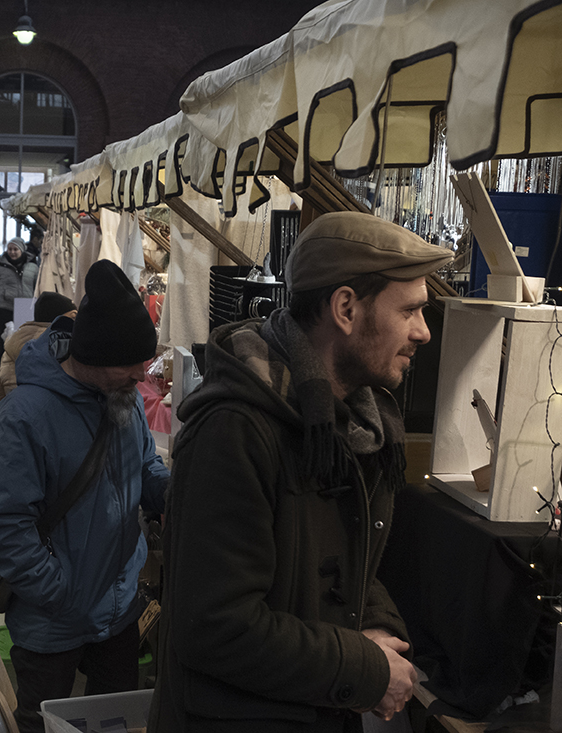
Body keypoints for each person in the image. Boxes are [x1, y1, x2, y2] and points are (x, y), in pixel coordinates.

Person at [150, 211, 453, 732]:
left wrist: (376, 631)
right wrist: (363, 667)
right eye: (410, 311)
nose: (423, 332)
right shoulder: (236, 429)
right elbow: (215, 627)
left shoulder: (354, 423)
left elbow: (344, 562)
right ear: (345, 308)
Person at [0, 259, 169, 733]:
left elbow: (146, 468)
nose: (140, 376)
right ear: (94, 356)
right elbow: (0, 527)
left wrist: (182, 495)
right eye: (130, 364)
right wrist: (61, 593)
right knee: (43, 724)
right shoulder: (26, 416)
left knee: (115, 722)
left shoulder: (123, 402)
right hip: (52, 621)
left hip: (119, 612)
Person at [0, 291, 76, 399]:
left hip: (12, 411)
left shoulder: (14, 342)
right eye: (74, 317)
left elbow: (1, 391)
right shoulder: (59, 346)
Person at [0, 236, 39, 366]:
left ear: (22, 250)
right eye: (9, 249)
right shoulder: (0, 265)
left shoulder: (33, 266)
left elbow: (37, 286)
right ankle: (2, 370)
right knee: (4, 340)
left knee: (23, 340)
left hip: (25, 306)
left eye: (15, 249)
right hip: (4, 306)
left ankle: (21, 368)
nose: (12, 252)